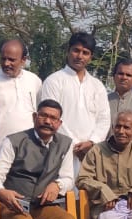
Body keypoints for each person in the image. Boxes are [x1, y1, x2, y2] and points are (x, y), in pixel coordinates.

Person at [38, 31, 111, 170]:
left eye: (85, 53)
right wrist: (75, 146)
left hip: (90, 153)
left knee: (87, 184)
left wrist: (92, 142)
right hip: (60, 151)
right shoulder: (54, 81)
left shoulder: (97, 86)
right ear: (68, 51)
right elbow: (50, 118)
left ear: (91, 57)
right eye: (76, 50)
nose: (79, 56)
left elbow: (104, 118)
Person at [0, 39, 42, 144]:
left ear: (23, 60)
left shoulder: (34, 80)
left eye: (11, 60)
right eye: (3, 59)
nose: (6, 63)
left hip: (29, 146)